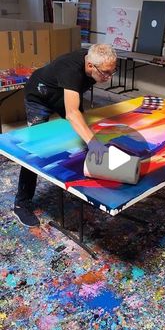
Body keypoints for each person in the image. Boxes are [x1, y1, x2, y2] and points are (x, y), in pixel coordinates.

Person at [14, 43, 117, 227]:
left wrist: (89, 138)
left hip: (63, 93)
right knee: (35, 149)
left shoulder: (93, 62)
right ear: (90, 66)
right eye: (105, 73)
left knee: (84, 135)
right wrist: (92, 141)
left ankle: (89, 184)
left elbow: (74, 103)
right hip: (39, 95)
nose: (108, 78)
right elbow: (71, 113)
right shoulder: (72, 70)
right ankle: (21, 203)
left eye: (112, 72)